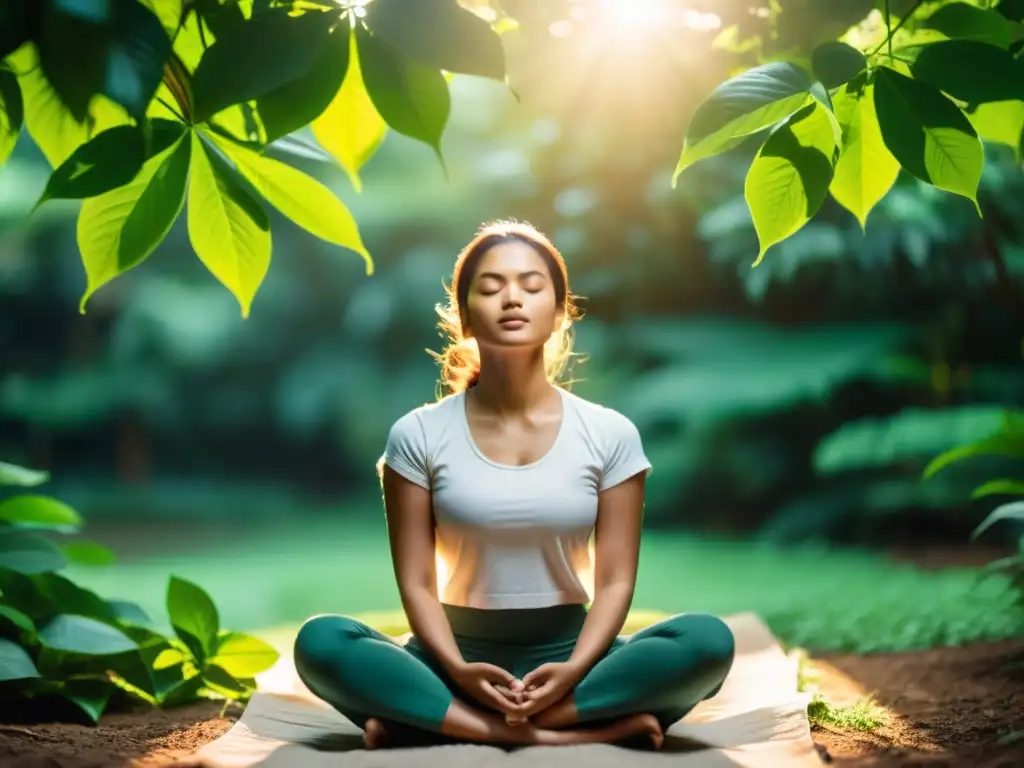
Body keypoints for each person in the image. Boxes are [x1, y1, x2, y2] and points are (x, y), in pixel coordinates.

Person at [293, 221, 735, 749]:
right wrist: (457, 669)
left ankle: (440, 721)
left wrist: (573, 670)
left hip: (577, 661)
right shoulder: (417, 434)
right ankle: (557, 732)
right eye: (490, 286)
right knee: (321, 641)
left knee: (707, 641)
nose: (511, 298)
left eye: (531, 284)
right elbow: (416, 582)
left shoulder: (611, 434)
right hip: (448, 662)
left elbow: (615, 582)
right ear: (464, 314)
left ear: (559, 311)